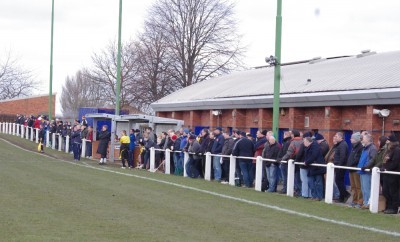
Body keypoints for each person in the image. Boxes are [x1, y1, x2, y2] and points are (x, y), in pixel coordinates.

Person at [356, 134, 377, 209]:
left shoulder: (372, 148)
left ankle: (368, 203)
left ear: (368, 139)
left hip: (366, 171)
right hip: (362, 170)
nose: (362, 139)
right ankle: (365, 202)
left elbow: (373, 159)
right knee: (363, 188)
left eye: (363, 138)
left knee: (367, 188)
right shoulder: (365, 148)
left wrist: (366, 167)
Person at [381, 135, 400, 214]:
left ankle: (394, 208)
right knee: (385, 191)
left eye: (388, 140)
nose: (386, 142)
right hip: (387, 174)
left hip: (393, 175)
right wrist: (383, 167)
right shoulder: (388, 150)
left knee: (393, 192)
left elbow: (395, 162)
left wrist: (387, 168)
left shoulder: (397, 150)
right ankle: (388, 206)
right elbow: (385, 161)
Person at [347, 132, 363, 208]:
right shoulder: (354, 147)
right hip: (351, 169)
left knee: (358, 186)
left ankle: (359, 201)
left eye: (352, 138)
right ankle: (354, 200)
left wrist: (351, 164)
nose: (350, 139)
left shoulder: (360, 147)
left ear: (356, 139)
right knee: (353, 186)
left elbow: (357, 158)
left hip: (355, 169)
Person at [333, 132, 350, 203]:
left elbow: (343, 156)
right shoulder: (340, 144)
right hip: (339, 166)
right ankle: (342, 197)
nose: (335, 137)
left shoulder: (342, 145)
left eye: (336, 136)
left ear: (340, 137)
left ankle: (345, 194)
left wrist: (339, 165)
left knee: (338, 181)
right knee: (339, 181)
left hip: (340, 166)